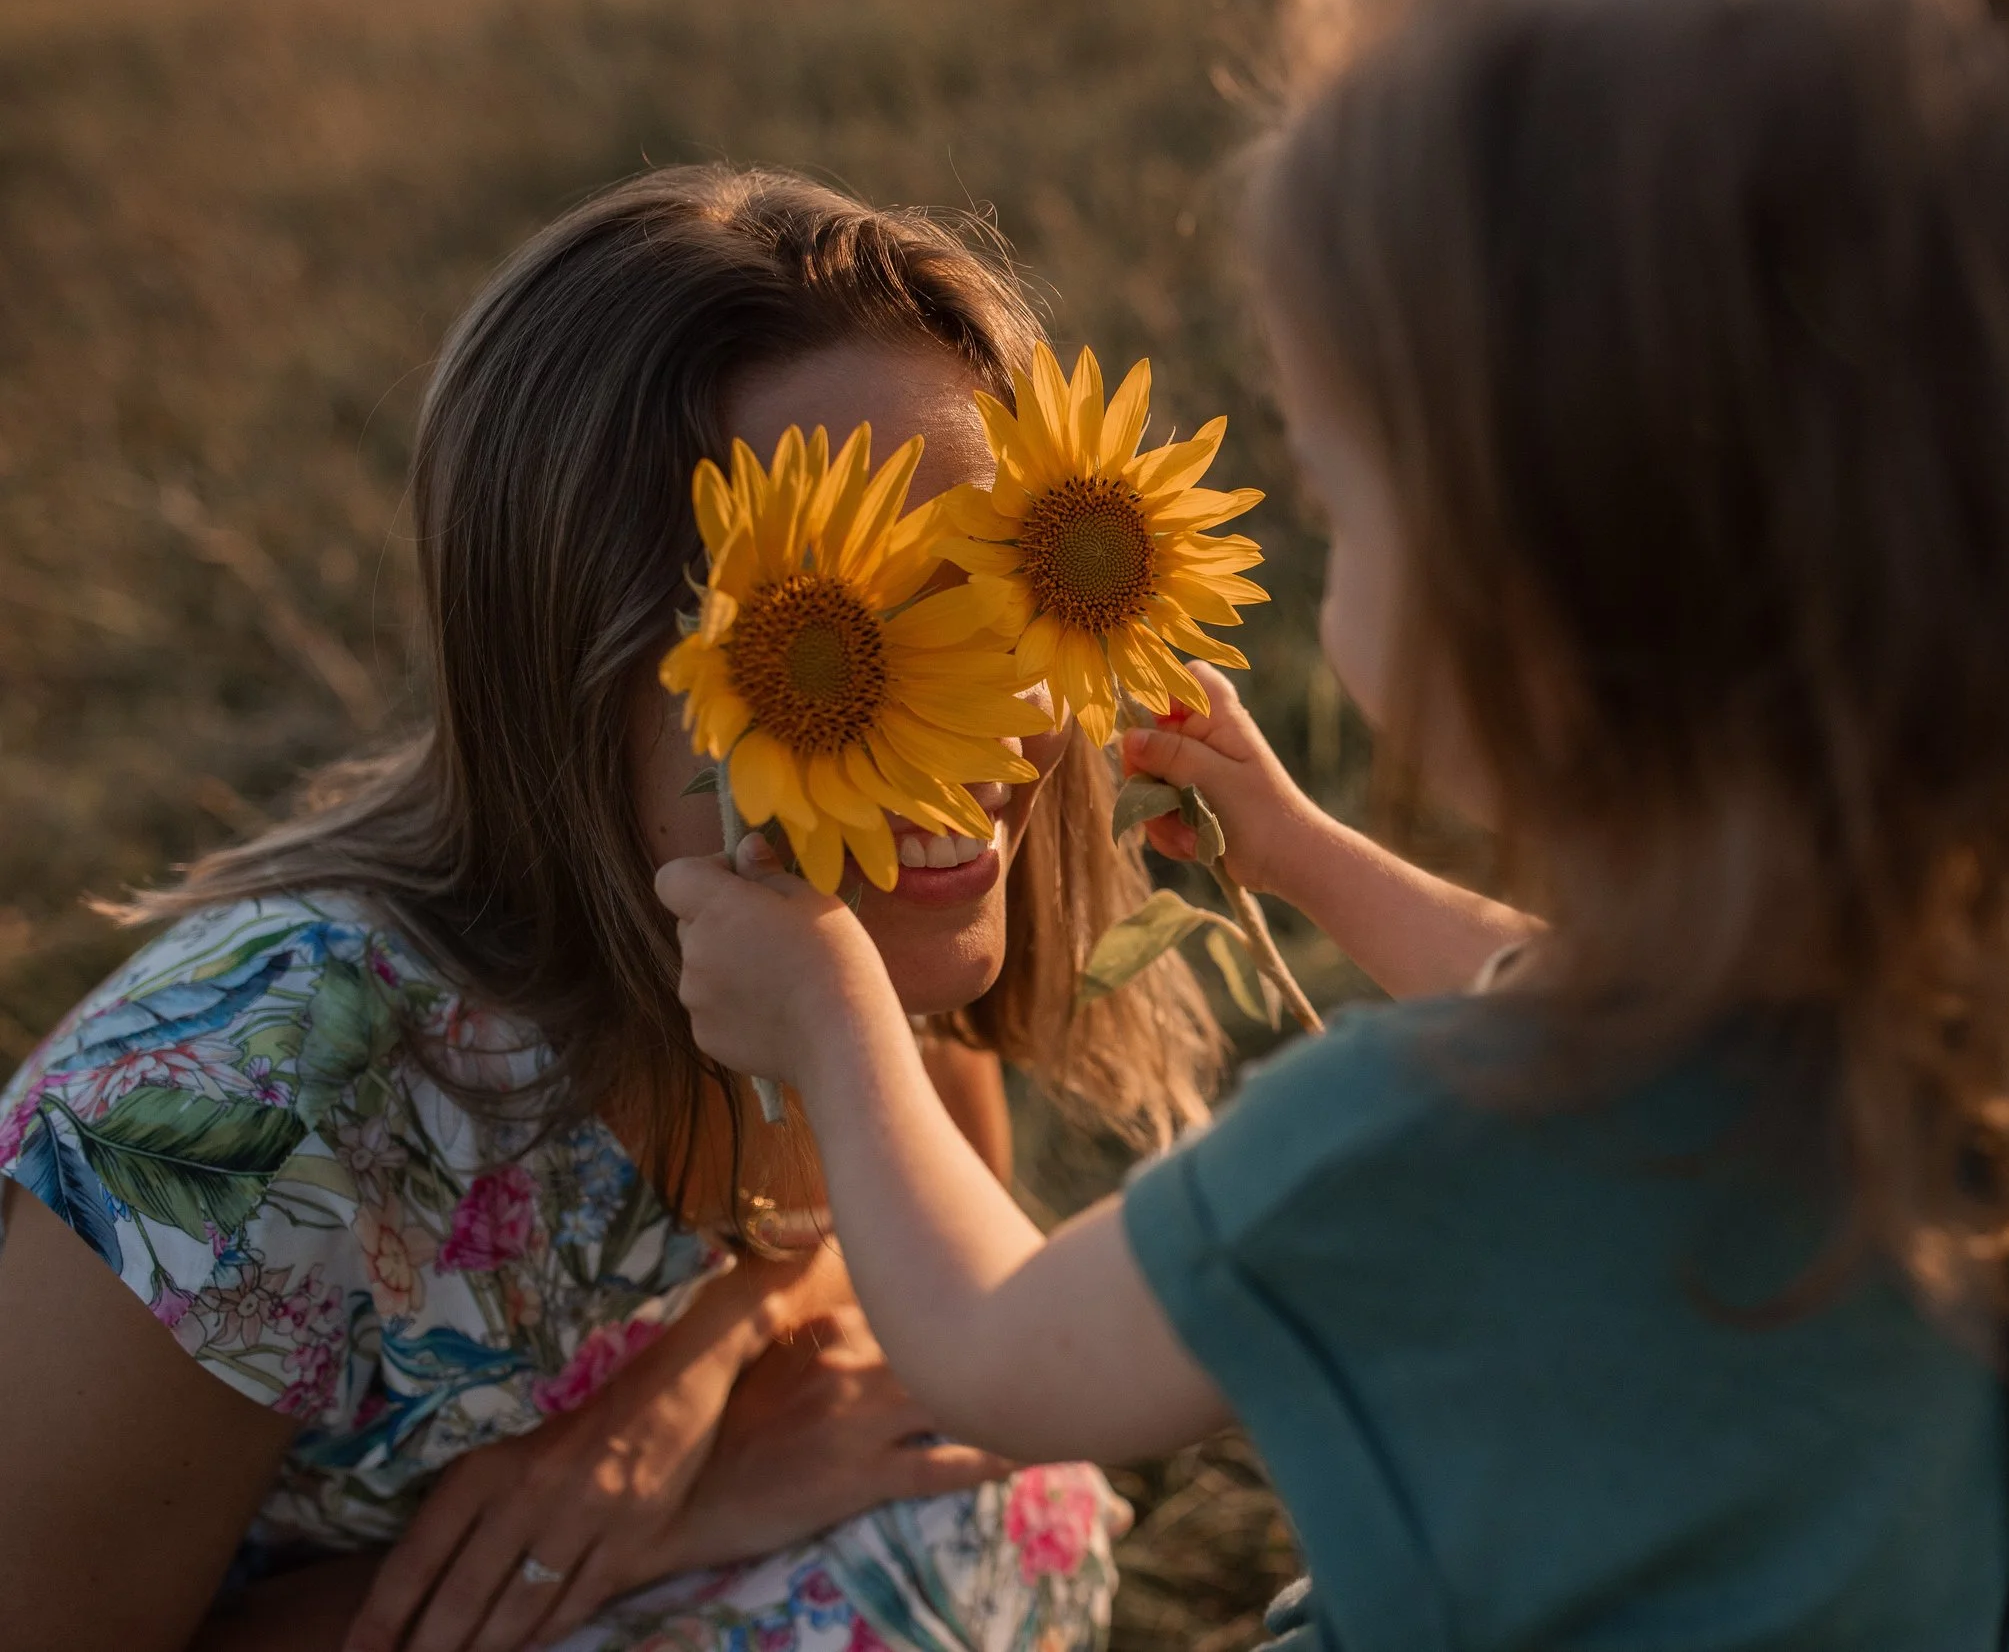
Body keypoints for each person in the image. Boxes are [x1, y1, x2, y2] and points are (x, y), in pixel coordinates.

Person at [656, 0, 2009, 1646]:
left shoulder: (1391, 1153)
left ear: (1546, 603)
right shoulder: (1955, 978)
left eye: (1349, 502)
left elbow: (998, 1358)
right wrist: (1295, 848)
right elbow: (1565, 988)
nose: (1323, 556)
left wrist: (825, 1010)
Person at [0, 165, 1219, 1652]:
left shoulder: (834, 937)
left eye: (997, 588)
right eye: (856, 630)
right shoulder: (233, 1121)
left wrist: (701, 1370)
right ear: (571, 664)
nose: (996, 721)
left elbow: (928, 1226)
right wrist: (691, 1516)